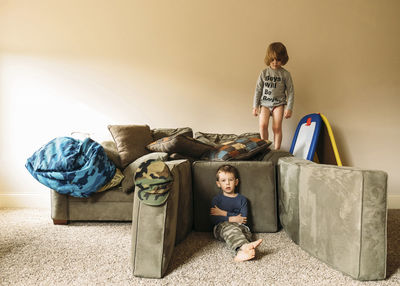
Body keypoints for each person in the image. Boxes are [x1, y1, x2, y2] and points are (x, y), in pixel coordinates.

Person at [210, 165, 262, 262]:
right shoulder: (216, 200)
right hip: (221, 228)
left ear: (236, 182)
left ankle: (246, 248)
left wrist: (222, 213)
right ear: (218, 184)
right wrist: (231, 218)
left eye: (231, 180)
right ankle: (241, 250)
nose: (228, 183)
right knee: (229, 228)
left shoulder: (242, 200)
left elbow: (243, 220)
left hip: (241, 227)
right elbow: (213, 219)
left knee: (244, 233)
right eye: (223, 180)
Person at [253, 42, 294, 150]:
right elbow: (258, 90)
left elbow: (290, 91)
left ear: (283, 59)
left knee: (276, 127)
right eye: (272, 59)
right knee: (263, 125)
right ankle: (264, 148)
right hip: (265, 104)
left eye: (278, 60)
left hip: (278, 104)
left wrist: (289, 108)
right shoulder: (264, 73)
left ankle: (276, 150)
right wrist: (255, 106)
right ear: (268, 58)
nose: (275, 62)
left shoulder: (285, 74)